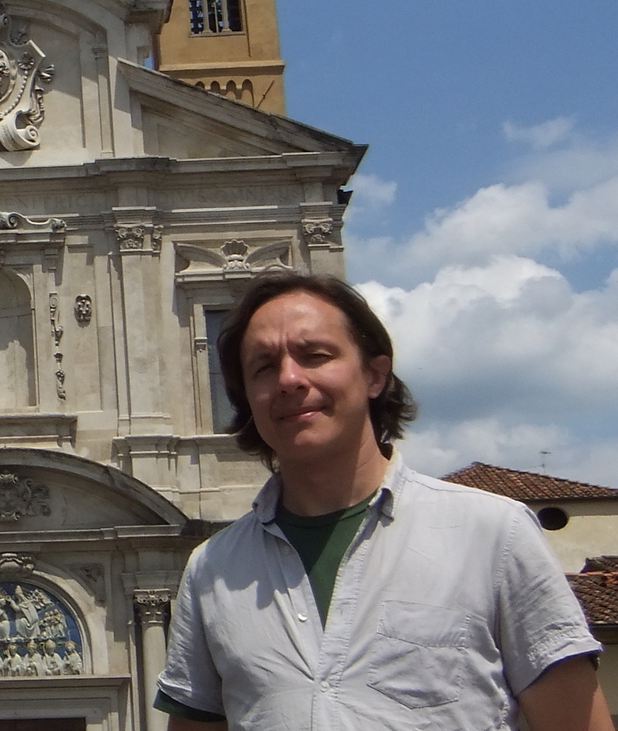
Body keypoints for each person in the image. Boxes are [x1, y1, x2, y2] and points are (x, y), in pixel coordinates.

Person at [156, 272, 612, 731]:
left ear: (375, 375)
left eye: (315, 356)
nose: (289, 379)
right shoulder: (211, 569)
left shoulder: (495, 534)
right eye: (263, 367)